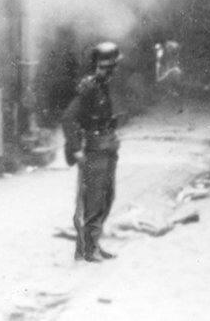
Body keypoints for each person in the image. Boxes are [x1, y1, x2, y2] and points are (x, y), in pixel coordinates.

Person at [62, 41, 123, 262]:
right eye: (105, 67)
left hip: (108, 147)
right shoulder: (89, 89)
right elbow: (68, 118)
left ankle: (93, 244)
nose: (109, 72)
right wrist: (76, 150)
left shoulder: (103, 86)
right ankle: (88, 249)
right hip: (95, 150)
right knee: (94, 201)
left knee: (107, 197)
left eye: (110, 68)